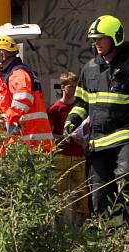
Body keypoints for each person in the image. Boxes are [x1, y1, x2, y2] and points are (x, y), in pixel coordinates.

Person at [64, 15, 129, 228]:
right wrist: (72, 120)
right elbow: (82, 103)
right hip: (98, 142)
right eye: (94, 39)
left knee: (126, 177)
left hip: (126, 135)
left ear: (115, 38)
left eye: (101, 38)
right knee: (100, 196)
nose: (97, 43)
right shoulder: (89, 69)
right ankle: (115, 237)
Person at [0, 35, 53, 154]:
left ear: (2, 56)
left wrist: (10, 121)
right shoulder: (9, 79)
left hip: (29, 145)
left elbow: (22, 97)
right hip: (26, 144)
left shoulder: (17, 74)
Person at [48, 72, 88, 221]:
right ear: (63, 87)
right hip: (61, 156)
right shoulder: (55, 109)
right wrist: (66, 137)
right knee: (60, 194)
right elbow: (49, 134)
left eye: (76, 86)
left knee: (82, 193)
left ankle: (83, 225)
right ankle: (59, 226)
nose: (74, 89)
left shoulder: (81, 108)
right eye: (71, 86)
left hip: (79, 155)